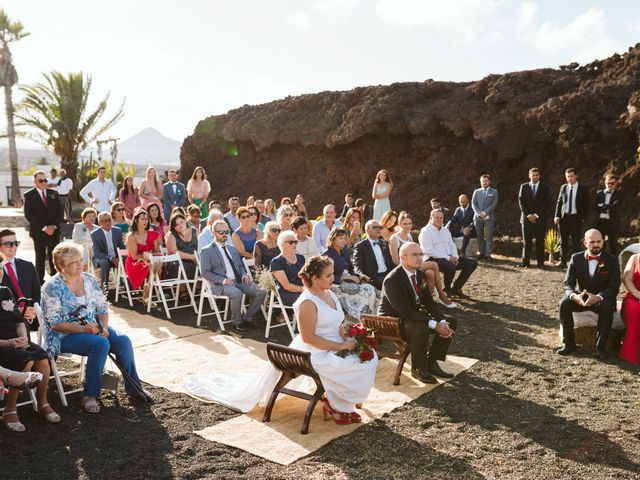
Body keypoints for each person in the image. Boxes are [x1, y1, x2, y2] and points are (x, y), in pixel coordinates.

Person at [184, 255, 377, 424]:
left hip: (335, 344)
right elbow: (309, 338)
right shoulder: (308, 302)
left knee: (368, 357)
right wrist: (341, 345)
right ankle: (336, 405)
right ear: (315, 279)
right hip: (314, 351)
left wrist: (352, 338)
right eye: (328, 275)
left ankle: (341, 403)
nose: (332, 278)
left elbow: (338, 325)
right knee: (348, 364)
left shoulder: (331, 294)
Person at [42, 242, 148, 413]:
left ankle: (135, 388)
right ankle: (90, 395)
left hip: (94, 328)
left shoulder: (89, 279)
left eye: (80, 260)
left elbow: (102, 308)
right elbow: (55, 324)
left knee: (123, 341)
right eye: (74, 262)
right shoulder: (51, 287)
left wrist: (104, 327)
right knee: (100, 344)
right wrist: (86, 329)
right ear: (61, 265)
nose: (80, 264)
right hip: (64, 336)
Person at [378, 242, 457, 383]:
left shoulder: (420, 275)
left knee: (451, 321)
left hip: (411, 316)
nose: (419, 258)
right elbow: (404, 312)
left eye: (421, 254)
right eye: (415, 255)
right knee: (421, 329)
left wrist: (442, 322)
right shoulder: (392, 280)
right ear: (403, 258)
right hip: (392, 321)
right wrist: (434, 324)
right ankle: (418, 368)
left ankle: (431, 362)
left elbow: (429, 303)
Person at [0, 251, 59, 432]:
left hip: (17, 338)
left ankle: (42, 403)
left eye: (0, 269)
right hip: (2, 344)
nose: (0, 274)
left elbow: (18, 319)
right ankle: (10, 410)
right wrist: (8, 343)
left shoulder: (5, 291)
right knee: (26, 359)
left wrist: (24, 336)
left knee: (41, 357)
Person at [557, 229, 620, 360]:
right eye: (592, 242)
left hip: (602, 299)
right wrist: (574, 296)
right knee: (564, 303)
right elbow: (567, 284)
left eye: (599, 241)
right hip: (582, 298)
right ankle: (569, 344)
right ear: (585, 243)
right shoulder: (576, 258)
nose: (596, 244)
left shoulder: (612, 260)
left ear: (603, 241)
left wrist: (598, 297)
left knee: (607, 307)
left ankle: (600, 348)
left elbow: (614, 287)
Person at [200, 220, 267, 332]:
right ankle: (237, 321)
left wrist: (244, 274)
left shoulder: (232, 248)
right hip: (220, 283)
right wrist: (223, 280)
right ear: (213, 233)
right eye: (220, 232)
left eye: (226, 231)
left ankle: (247, 318)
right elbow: (205, 272)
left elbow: (240, 266)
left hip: (238, 280)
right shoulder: (206, 250)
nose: (224, 234)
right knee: (236, 293)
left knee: (262, 291)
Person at [420, 210, 478, 298]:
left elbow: (452, 245)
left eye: (441, 218)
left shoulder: (445, 230)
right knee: (451, 266)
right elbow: (429, 250)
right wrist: (448, 258)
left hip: (448, 257)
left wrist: (455, 256)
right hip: (432, 258)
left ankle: (456, 288)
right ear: (430, 218)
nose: (439, 220)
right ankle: (447, 289)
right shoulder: (425, 231)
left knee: (472, 263)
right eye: (436, 217)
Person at [324, 228, 379, 320]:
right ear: (333, 239)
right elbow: (325, 276)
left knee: (372, 289)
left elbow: (351, 269)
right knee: (367, 291)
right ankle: (359, 318)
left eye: (345, 238)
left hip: (349, 281)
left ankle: (370, 318)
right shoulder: (326, 255)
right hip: (336, 284)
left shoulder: (344, 251)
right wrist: (344, 277)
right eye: (340, 238)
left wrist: (359, 276)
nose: (344, 240)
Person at [24, 170, 64, 283]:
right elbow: (29, 214)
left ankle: (56, 281)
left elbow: (60, 213)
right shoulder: (29, 195)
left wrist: (53, 226)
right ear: (34, 182)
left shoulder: (54, 193)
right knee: (40, 258)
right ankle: (39, 282)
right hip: (38, 232)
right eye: (40, 180)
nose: (43, 182)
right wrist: (44, 227)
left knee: (55, 257)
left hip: (54, 231)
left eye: (45, 180)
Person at [0, 229, 41, 332]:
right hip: (6, 323)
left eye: (16, 243)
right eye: (9, 244)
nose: (14, 247)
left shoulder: (28, 266)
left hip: (32, 318)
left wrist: (33, 310)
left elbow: (37, 292)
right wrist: (19, 311)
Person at [554, 168, 590, 267]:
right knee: (563, 240)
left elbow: (586, 204)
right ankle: (562, 261)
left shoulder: (583, 188)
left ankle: (576, 262)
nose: (570, 178)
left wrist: (583, 217)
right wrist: (557, 215)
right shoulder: (563, 188)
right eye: (568, 176)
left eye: (571, 176)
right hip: (564, 217)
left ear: (576, 176)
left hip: (576, 218)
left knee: (576, 240)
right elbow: (559, 202)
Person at [125, 208, 162, 303]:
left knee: (158, 259)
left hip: (150, 260)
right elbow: (134, 257)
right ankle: (150, 290)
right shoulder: (131, 236)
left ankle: (148, 287)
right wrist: (144, 256)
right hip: (135, 263)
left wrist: (148, 255)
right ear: (136, 220)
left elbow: (156, 252)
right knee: (155, 263)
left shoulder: (153, 234)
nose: (145, 221)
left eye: (146, 219)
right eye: (142, 219)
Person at [518, 167, 552, 268]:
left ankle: (540, 263)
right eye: (533, 175)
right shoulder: (523, 187)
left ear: (539, 176)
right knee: (526, 241)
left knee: (540, 241)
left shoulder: (544, 187)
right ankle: (525, 262)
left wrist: (536, 215)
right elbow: (521, 202)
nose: (535, 177)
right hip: (526, 218)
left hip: (540, 219)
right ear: (529, 176)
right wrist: (528, 215)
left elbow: (547, 203)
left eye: (537, 175)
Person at [353, 220, 394, 290]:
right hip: (373, 277)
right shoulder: (360, 246)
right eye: (375, 227)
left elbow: (390, 262)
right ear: (367, 230)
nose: (378, 229)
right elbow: (357, 266)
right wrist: (362, 276)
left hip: (387, 274)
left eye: (379, 227)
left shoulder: (384, 243)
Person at [91, 212, 125, 291]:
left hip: (117, 257)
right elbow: (97, 253)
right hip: (103, 258)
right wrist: (111, 258)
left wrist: (121, 257)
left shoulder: (117, 231)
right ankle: (104, 289)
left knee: (127, 259)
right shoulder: (95, 234)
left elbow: (122, 247)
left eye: (109, 220)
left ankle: (129, 286)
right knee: (104, 263)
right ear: (99, 222)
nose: (107, 223)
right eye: (104, 221)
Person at [270, 231, 305, 306]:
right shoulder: (277, 261)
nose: (294, 244)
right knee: (312, 298)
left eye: (295, 242)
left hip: (303, 290)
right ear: (282, 244)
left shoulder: (300, 257)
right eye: (290, 242)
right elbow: (286, 286)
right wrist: (305, 289)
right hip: (287, 294)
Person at [593, 174, 623, 256]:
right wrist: (607, 207)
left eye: (612, 183)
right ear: (605, 183)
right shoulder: (599, 193)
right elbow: (594, 206)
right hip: (600, 222)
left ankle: (614, 263)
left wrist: (602, 206)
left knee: (613, 243)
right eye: (608, 183)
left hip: (611, 222)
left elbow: (615, 206)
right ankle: (601, 262)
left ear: (616, 183)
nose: (610, 185)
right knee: (600, 243)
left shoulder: (618, 194)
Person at [471, 174, 499, 260]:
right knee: (479, 236)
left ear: (489, 182)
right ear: (480, 182)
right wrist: (478, 213)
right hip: (478, 217)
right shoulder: (476, 191)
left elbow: (494, 204)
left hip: (489, 217)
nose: (484, 183)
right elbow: (473, 203)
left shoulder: (494, 192)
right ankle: (482, 253)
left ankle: (488, 254)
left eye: (486, 181)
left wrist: (485, 212)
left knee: (488, 235)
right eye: (483, 181)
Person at [620, 253, 640, 364]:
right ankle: (632, 354)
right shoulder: (635, 258)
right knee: (636, 309)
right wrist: (638, 294)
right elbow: (627, 279)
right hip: (634, 297)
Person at [165, 212, 198, 278]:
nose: (180, 225)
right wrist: (191, 257)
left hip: (196, 259)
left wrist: (197, 257)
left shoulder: (195, 231)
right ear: (174, 227)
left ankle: (200, 287)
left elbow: (202, 247)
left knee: (204, 264)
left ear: (185, 221)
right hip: (179, 260)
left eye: (181, 222)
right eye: (177, 224)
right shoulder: (171, 235)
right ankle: (184, 288)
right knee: (181, 265)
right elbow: (173, 252)